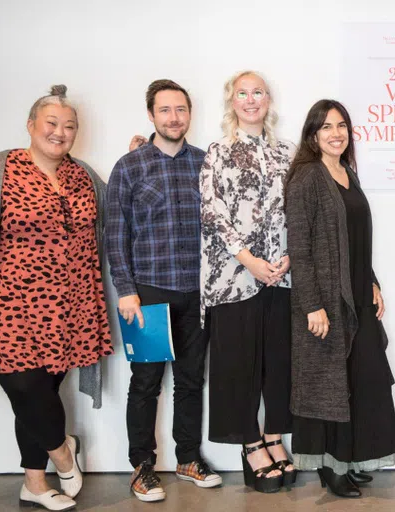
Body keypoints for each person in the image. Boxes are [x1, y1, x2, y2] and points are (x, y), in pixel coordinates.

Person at [0, 85, 112, 511]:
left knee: (39, 395)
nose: (60, 132)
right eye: (51, 123)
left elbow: (117, 219)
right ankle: (63, 453)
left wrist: (133, 162)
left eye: (69, 126)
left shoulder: (84, 175)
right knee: (24, 386)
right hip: (11, 306)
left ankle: (34, 484)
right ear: (31, 125)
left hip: (72, 305)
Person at [106, 79, 221, 502]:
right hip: (148, 294)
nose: (174, 118)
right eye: (166, 110)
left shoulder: (207, 163)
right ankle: (141, 467)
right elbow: (115, 235)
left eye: (181, 110)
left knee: (191, 381)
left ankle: (188, 458)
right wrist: (125, 289)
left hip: (197, 293)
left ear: (190, 114)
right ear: (151, 115)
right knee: (146, 382)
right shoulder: (130, 166)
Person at [285, 99, 395, 498]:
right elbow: (299, 248)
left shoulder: (348, 173)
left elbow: (359, 241)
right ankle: (330, 466)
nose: (336, 133)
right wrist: (312, 305)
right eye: (327, 126)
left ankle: (350, 459)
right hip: (325, 302)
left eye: (342, 126)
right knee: (328, 384)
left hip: (357, 295)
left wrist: (373, 282)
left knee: (360, 379)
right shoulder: (306, 177)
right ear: (313, 134)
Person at [200, 71, 295, 493]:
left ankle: (275, 436)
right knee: (237, 366)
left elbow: (301, 209)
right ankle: (251, 443)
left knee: (279, 363)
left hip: (283, 275)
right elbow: (212, 212)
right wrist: (249, 260)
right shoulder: (217, 152)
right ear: (232, 101)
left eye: (258, 92)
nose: (251, 99)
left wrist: (289, 258)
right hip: (232, 277)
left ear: (269, 100)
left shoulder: (289, 153)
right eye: (243, 93)